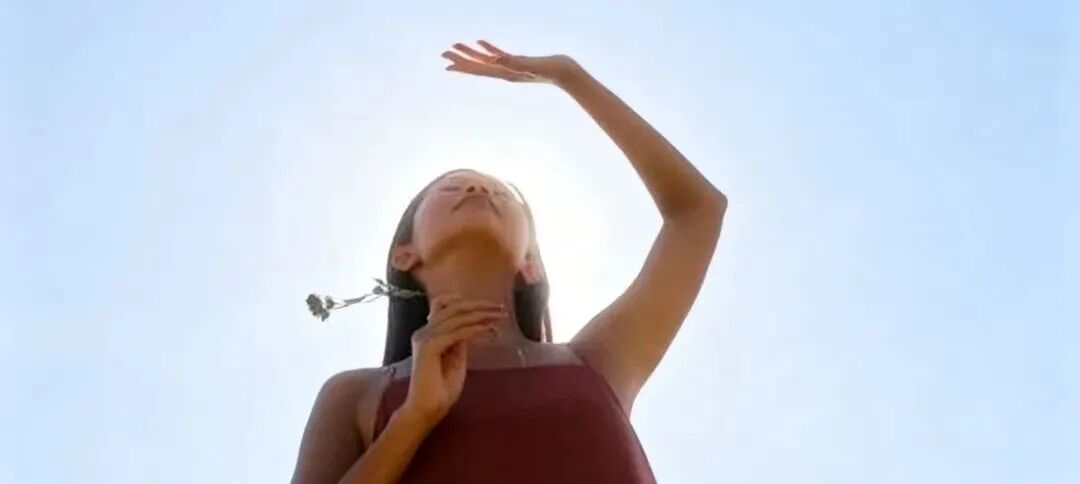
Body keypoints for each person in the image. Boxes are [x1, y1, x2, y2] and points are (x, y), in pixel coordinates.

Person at [290, 39, 728, 484]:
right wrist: (413, 418)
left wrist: (569, 76)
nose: (480, 190)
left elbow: (699, 211)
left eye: (501, 194)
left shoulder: (598, 362)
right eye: (451, 188)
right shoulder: (359, 393)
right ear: (405, 254)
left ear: (530, 263)